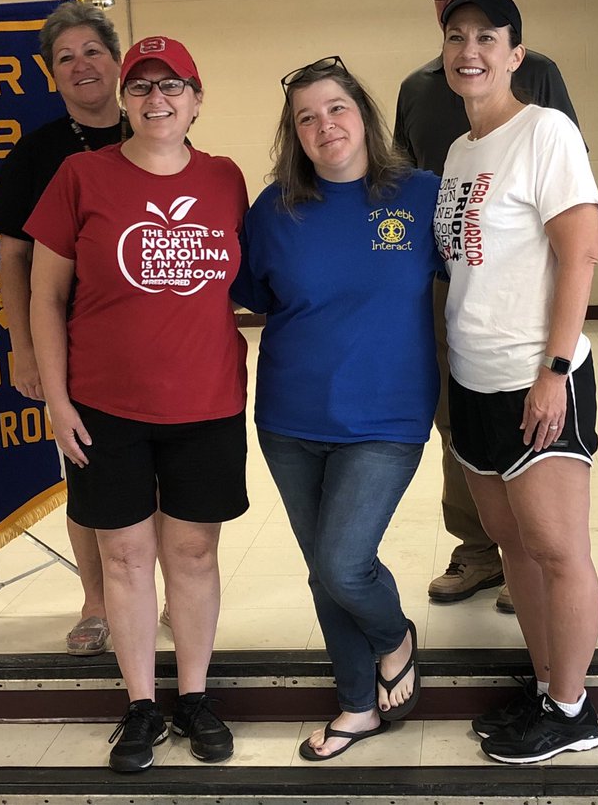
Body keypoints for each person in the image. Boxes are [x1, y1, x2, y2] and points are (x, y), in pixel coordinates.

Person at [26, 36, 248, 772]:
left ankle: (194, 695)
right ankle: (141, 707)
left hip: (206, 400)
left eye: (173, 86)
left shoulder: (225, 179)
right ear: (124, 98)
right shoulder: (81, 175)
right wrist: (57, 401)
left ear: (196, 96)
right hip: (105, 407)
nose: (159, 100)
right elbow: (45, 294)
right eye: (143, 87)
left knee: (192, 553)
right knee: (123, 556)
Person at [232, 56, 439, 761]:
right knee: (323, 570)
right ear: (295, 134)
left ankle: (395, 639)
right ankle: (355, 706)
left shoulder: (421, 195)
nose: (325, 125)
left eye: (337, 108)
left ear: (364, 115)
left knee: (345, 562)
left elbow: (484, 274)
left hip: (388, 416)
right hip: (291, 418)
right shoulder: (276, 209)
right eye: (307, 117)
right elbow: (253, 297)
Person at [433, 0, 598, 763]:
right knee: (512, 550)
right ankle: (545, 690)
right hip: (473, 381)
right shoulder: (461, 151)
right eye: (457, 36)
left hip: (534, 375)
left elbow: (581, 254)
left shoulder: (546, 132)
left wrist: (554, 370)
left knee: (557, 549)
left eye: (487, 37)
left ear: (514, 53)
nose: (470, 51)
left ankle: (573, 711)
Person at [394, 0, 582, 613]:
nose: (452, 3)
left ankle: (537, 554)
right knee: (459, 423)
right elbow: (405, 186)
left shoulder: (541, 82)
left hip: (524, 289)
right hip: (450, 288)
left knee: (538, 425)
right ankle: (480, 550)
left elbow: (572, 209)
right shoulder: (418, 89)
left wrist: (559, 353)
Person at [0, 0, 127, 656]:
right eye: (64, 57)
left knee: (166, 483)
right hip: (75, 349)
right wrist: (24, 349)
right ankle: (98, 602)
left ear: (117, 61)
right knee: (90, 478)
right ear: (52, 75)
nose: (80, 65)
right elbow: (11, 257)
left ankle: (166, 594)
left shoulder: (158, 131)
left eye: (91, 51)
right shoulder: (39, 153)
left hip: (156, 346)